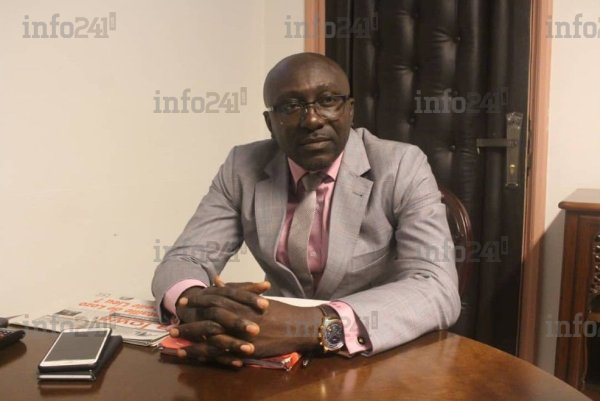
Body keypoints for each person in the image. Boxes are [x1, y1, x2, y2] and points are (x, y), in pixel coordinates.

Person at [152, 52, 460, 367]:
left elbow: (436, 287)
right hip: (272, 355)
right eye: (290, 106)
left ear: (350, 110)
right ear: (270, 123)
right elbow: (186, 258)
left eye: (328, 101)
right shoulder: (242, 166)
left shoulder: (402, 165)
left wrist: (313, 325)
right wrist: (195, 303)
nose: (312, 120)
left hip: (372, 355)